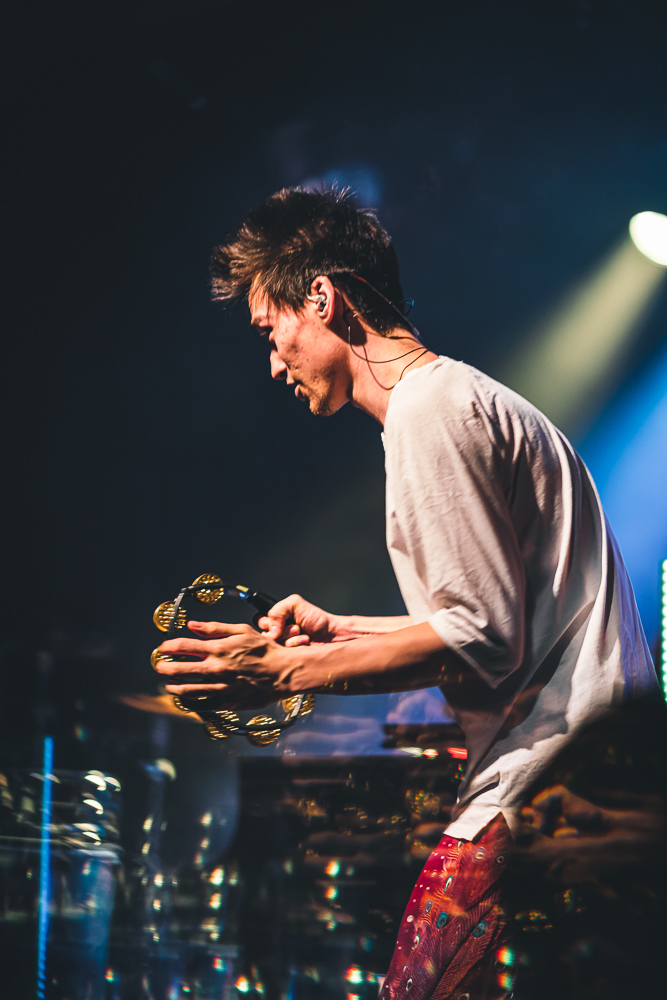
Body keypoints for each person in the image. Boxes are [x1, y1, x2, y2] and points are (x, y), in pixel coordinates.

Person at [154, 186, 657, 999]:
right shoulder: (460, 402)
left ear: (322, 296)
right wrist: (335, 635)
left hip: (542, 802)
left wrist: (279, 672)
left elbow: (481, 637)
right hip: (580, 802)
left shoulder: (428, 411)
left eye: (270, 330)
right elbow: (494, 620)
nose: (272, 361)